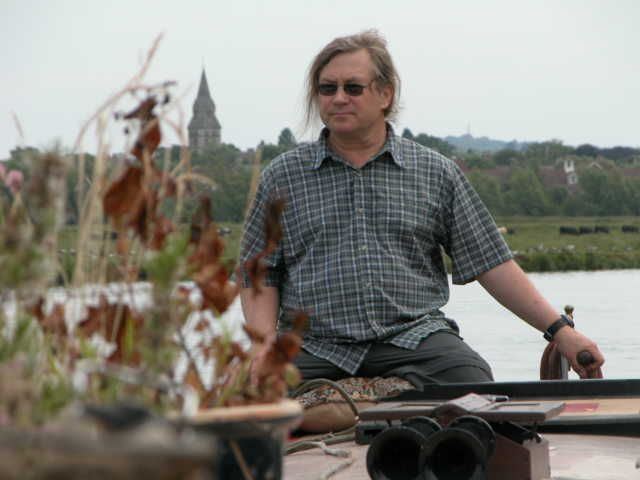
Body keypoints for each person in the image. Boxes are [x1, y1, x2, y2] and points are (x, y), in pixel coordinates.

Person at [239, 30, 604, 388]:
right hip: (313, 345)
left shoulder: (435, 172)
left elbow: (492, 264)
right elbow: (258, 273)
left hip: (414, 340)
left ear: (385, 94)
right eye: (327, 88)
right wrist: (260, 346)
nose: (338, 98)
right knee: (246, 401)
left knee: (475, 387)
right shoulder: (282, 176)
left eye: (352, 87)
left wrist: (561, 332)